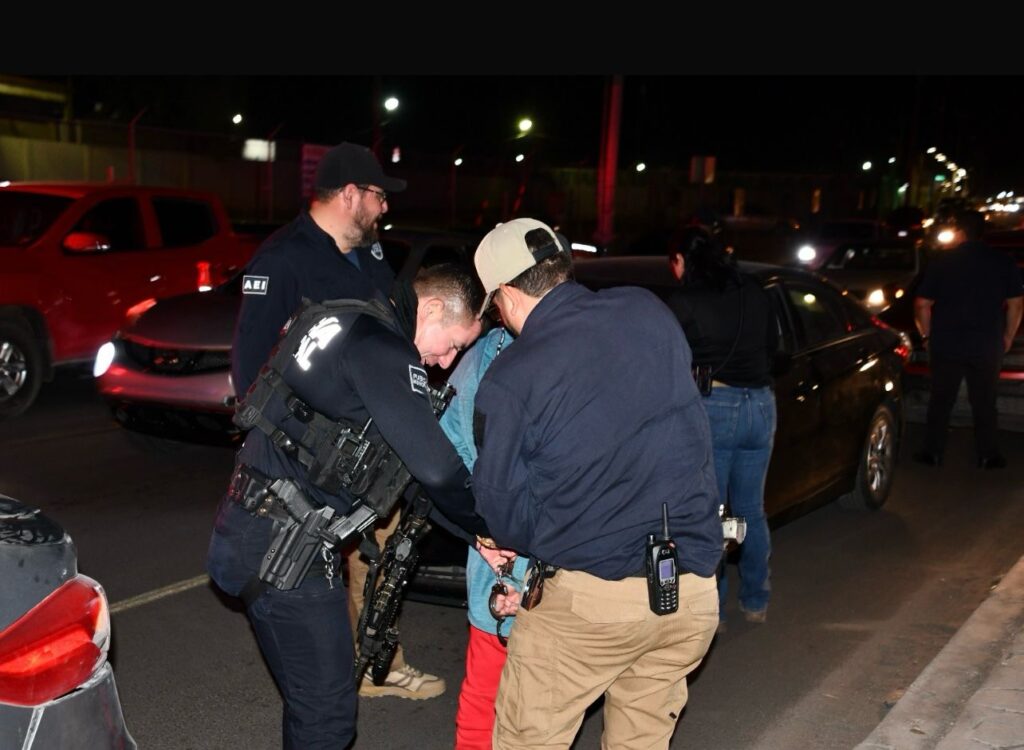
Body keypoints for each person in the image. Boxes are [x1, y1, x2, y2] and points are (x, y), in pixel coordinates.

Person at [206, 263, 492, 750]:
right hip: (284, 551)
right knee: (327, 717)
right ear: (431, 308)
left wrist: (476, 538)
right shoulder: (383, 349)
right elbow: (437, 469)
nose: (446, 361)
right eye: (454, 344)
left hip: (252, 525)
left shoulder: (347, 320)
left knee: (314, 705)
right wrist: (492, 526)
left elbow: (406, 479)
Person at [470, 218, 723, 750]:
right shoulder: (648, 311)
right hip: (689, 591)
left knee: (527, 741)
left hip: (590, 604)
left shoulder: (513, 374)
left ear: (507, 296)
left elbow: (504, 513)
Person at [231, 141, 445, 699]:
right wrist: (294, 449)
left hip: (374, 449)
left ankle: (376, 662)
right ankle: (351, 674)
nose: (385, 207)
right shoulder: (283, 260)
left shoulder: (368, 255)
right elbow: (251, 370)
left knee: (381, 559)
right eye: (378, 195)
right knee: (329, 568)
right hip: (315, 463)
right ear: (350, 195)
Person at [664, 227, 779, 630]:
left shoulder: (686, 301)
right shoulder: (755, 290)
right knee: (750, 510)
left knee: (711, 512)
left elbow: (668, 358)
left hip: (718, 406)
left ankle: (715, 606)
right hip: (761, 404)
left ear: (682, 260)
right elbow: (773, 346)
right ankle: (756, 599)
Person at [438, 322, 528, 750]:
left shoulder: (481, 358)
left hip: (498, 548)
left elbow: (446, 454)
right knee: (537, 697)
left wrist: (479, 526)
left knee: (488, 691)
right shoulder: (584, 347)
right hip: (532, 554)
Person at [913, 210, 1024, 469]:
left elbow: (922, 304)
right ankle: (988, 455)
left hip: (946, 343)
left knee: (941, 400)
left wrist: (926, 336)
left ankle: (933, 452)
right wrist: (1007, 336)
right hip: (986, 344)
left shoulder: (942, 262)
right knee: (985, 401)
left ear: (961, 232)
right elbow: (1016, 304)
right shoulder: (1003, 262)